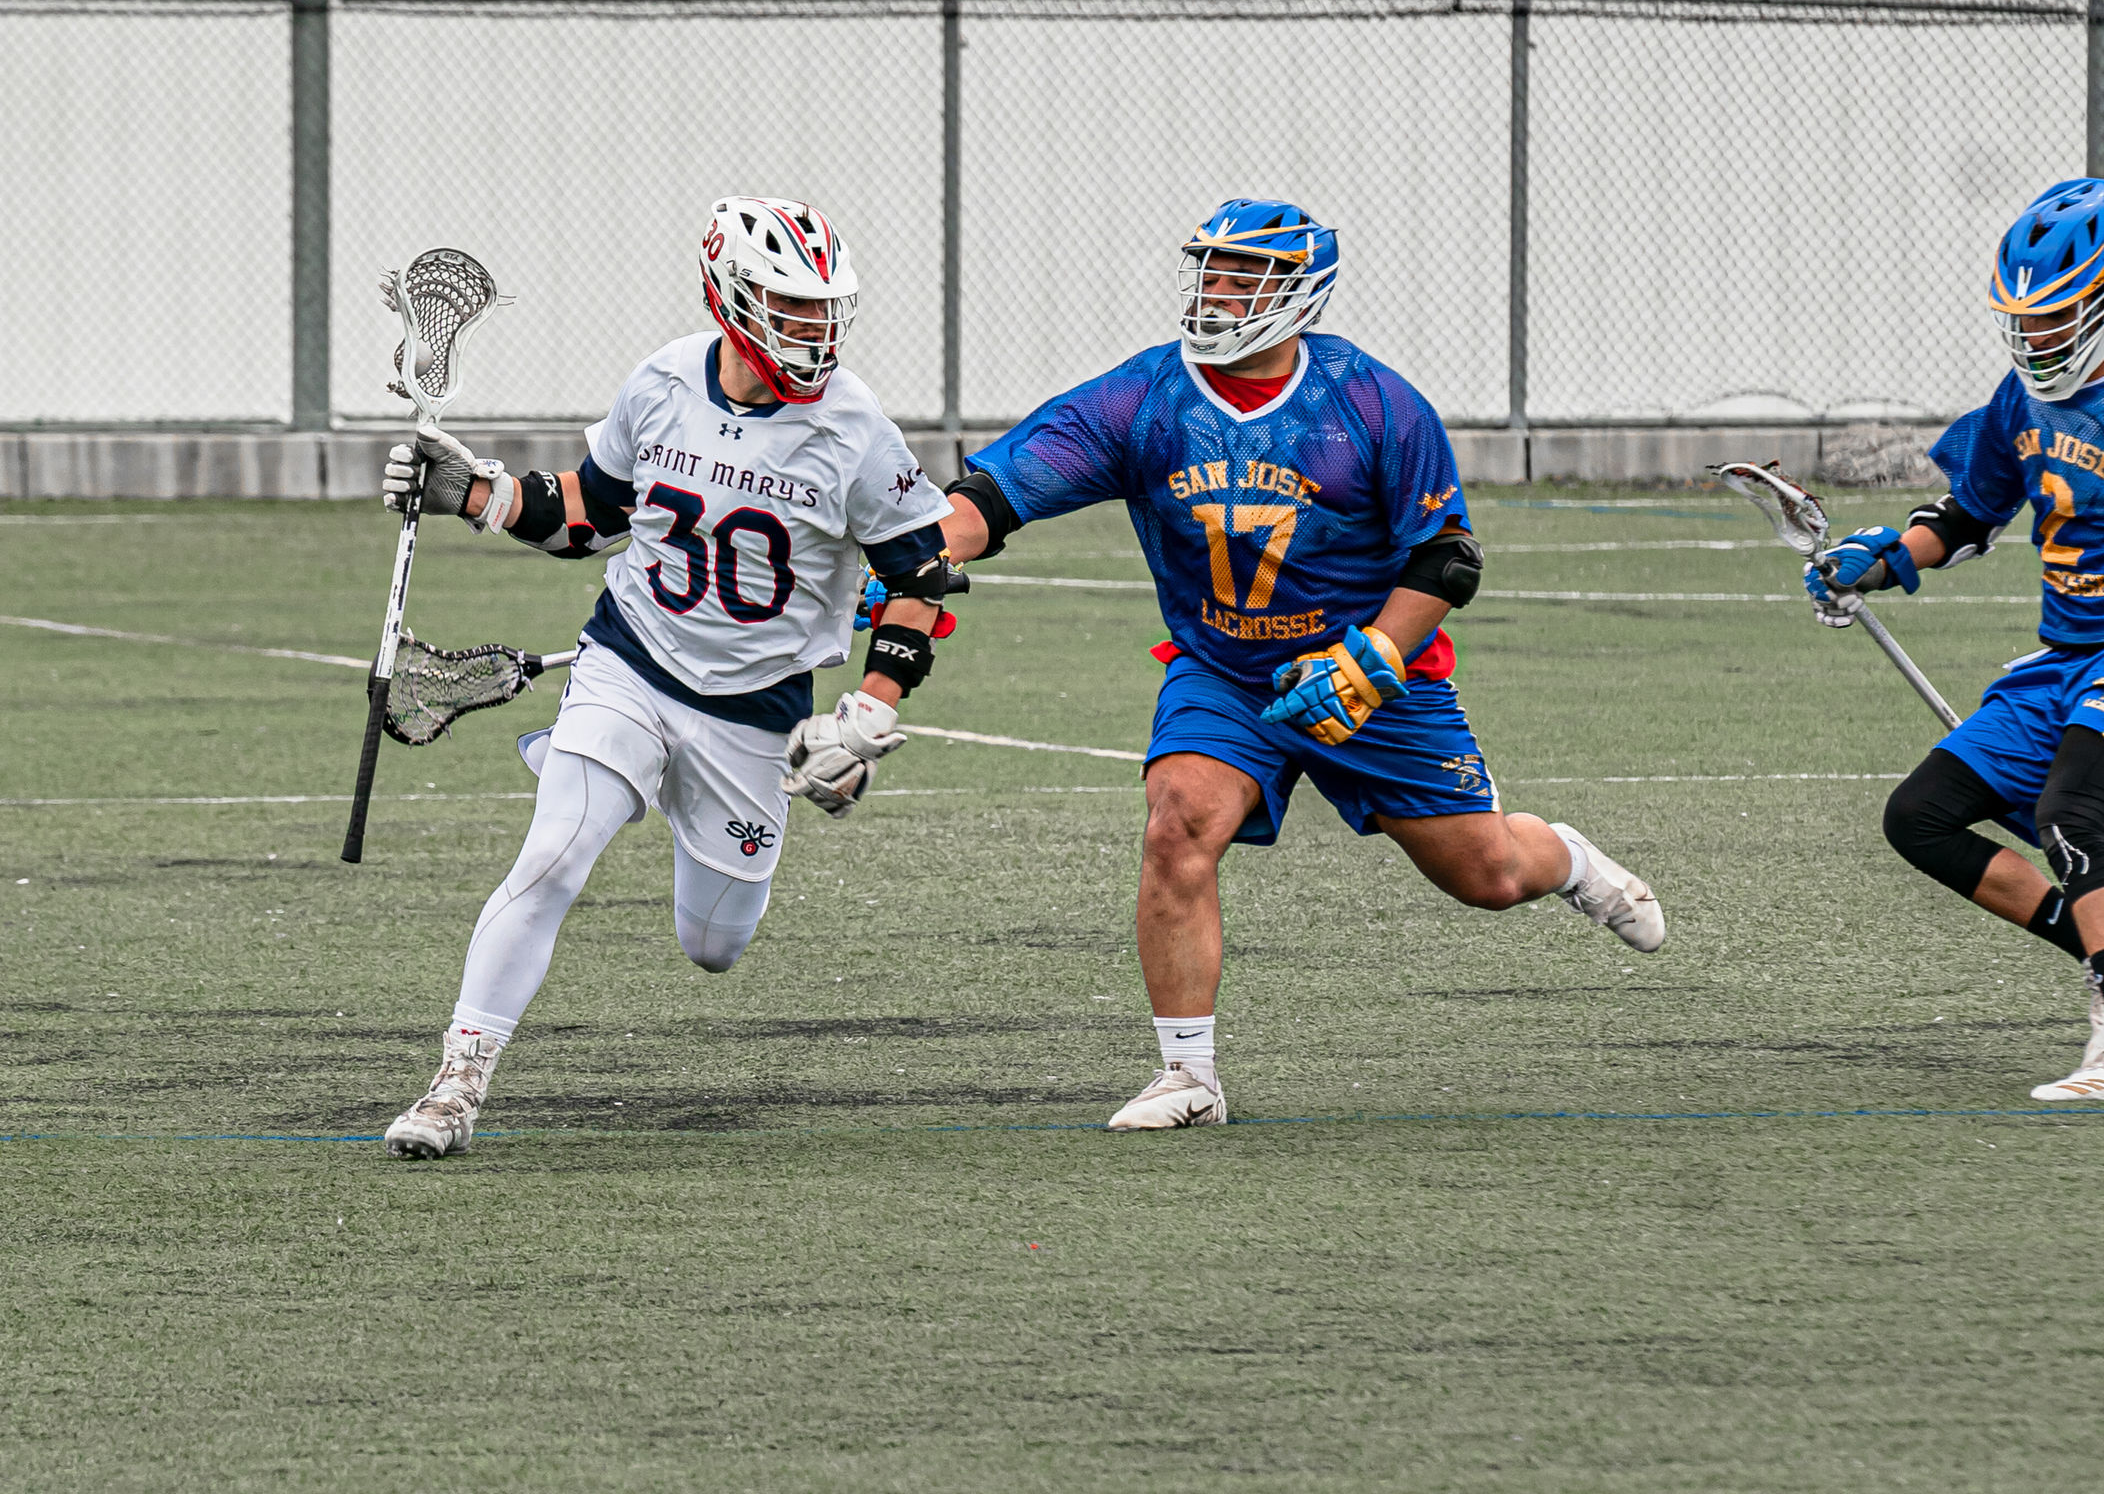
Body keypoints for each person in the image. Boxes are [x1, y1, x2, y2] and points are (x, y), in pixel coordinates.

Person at [927, 198, 1666, 1131]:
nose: (1218, 291)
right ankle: (1188, 1075)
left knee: (1487, 876)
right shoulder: (1145, 395)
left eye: (1244, 275)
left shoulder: (1371, 401)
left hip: (1375, 672)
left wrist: (1370, 659)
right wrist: (928, 547)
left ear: (1300, 293)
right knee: (1178, 820)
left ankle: (1568, 860)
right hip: (1224, 668)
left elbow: (1445, 559)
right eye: (1211, 271)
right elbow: (997, 493)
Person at [375, 196, 956, 1158]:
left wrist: (864, 713)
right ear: (729, 295)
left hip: (755, 714)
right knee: (555, 852)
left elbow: (922, 579)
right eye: (790, 304)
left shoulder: (855, 428)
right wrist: (474, 492)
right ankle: (454, 1086)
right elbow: (588, 517)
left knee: (714, 944)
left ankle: (744, 827)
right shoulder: (663, 381)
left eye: (824, 308)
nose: (815, 328)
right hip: (630, 662)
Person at [1823, 177, 2104, 1103]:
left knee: (2075, 814)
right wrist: (1883, 557)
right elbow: (1971, 508)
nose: (2034, 342)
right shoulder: (2022, 398)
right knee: (1923, 817)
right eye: (2022, 323)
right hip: (2066, 654)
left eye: (2056, 321)